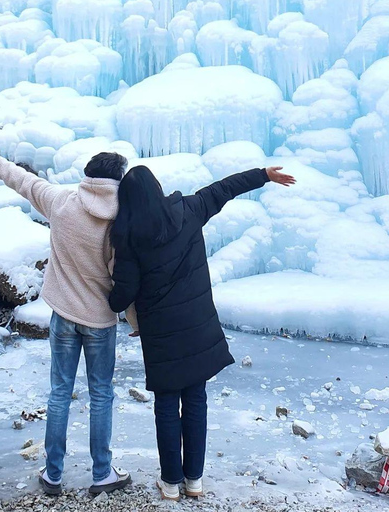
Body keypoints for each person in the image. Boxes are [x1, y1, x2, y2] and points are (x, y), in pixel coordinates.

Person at [108, 164, 295, 501]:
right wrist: (263, 174)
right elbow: (225, 188)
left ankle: (170, 483)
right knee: (196, 399)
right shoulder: (189, 210)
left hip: (161, 334)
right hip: (197, 325)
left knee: (166, 404)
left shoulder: (129, 238)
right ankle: (193, 480)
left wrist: (104, 292)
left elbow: (122, 295)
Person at [0, 145, 132, 496]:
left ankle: (53, 474)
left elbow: (26, 183)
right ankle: (102, 472)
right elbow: (123, 275)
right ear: (117, 182)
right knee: (101, 393)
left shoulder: (62, 203)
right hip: (100, 320)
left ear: (89, 177)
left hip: (63, 315)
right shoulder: (121, 220)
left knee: (60, 392)